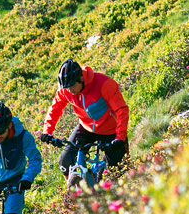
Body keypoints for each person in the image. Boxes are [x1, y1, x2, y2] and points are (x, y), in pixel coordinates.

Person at [41, 58, 131, 187]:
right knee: (64, 161)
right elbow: (55, 109)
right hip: (86, 128)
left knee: (119, 176)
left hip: (110, 130)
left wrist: (120, 138)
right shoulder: (66, 89)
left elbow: (121, 110)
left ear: (81, 79)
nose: (69, 90)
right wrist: (47, 132)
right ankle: (73, 196)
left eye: (72, 86)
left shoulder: (103, 84)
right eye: (66, 87)